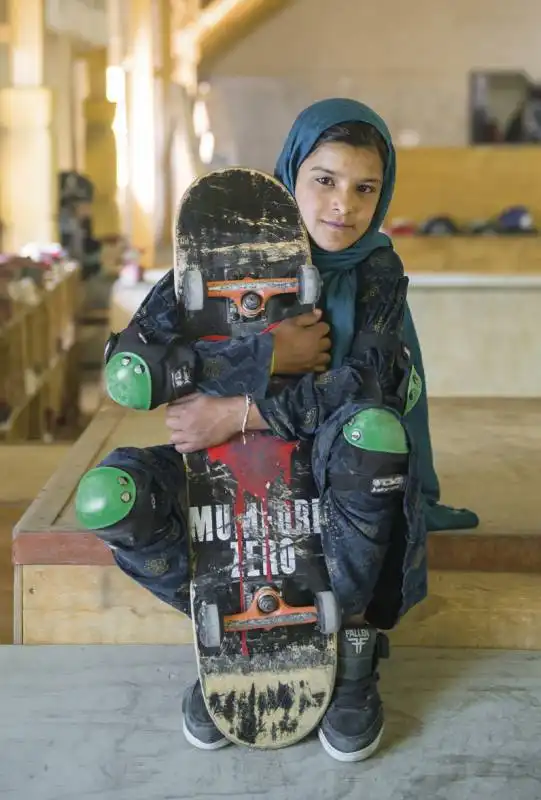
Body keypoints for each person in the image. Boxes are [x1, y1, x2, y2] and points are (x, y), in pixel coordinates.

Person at [75, 98, 478, 763]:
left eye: (363, 187)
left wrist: (236, 410)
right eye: (323, 179)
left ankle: (350, 651)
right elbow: (132, 372)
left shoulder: (375, 271)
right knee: (109, 496)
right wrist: (265, 357)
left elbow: (369, 387)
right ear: (289, 174)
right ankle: (231, 643)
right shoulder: (218, 259)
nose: (342, 205)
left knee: (371, 434)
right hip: (227, 485)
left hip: (334, 480)